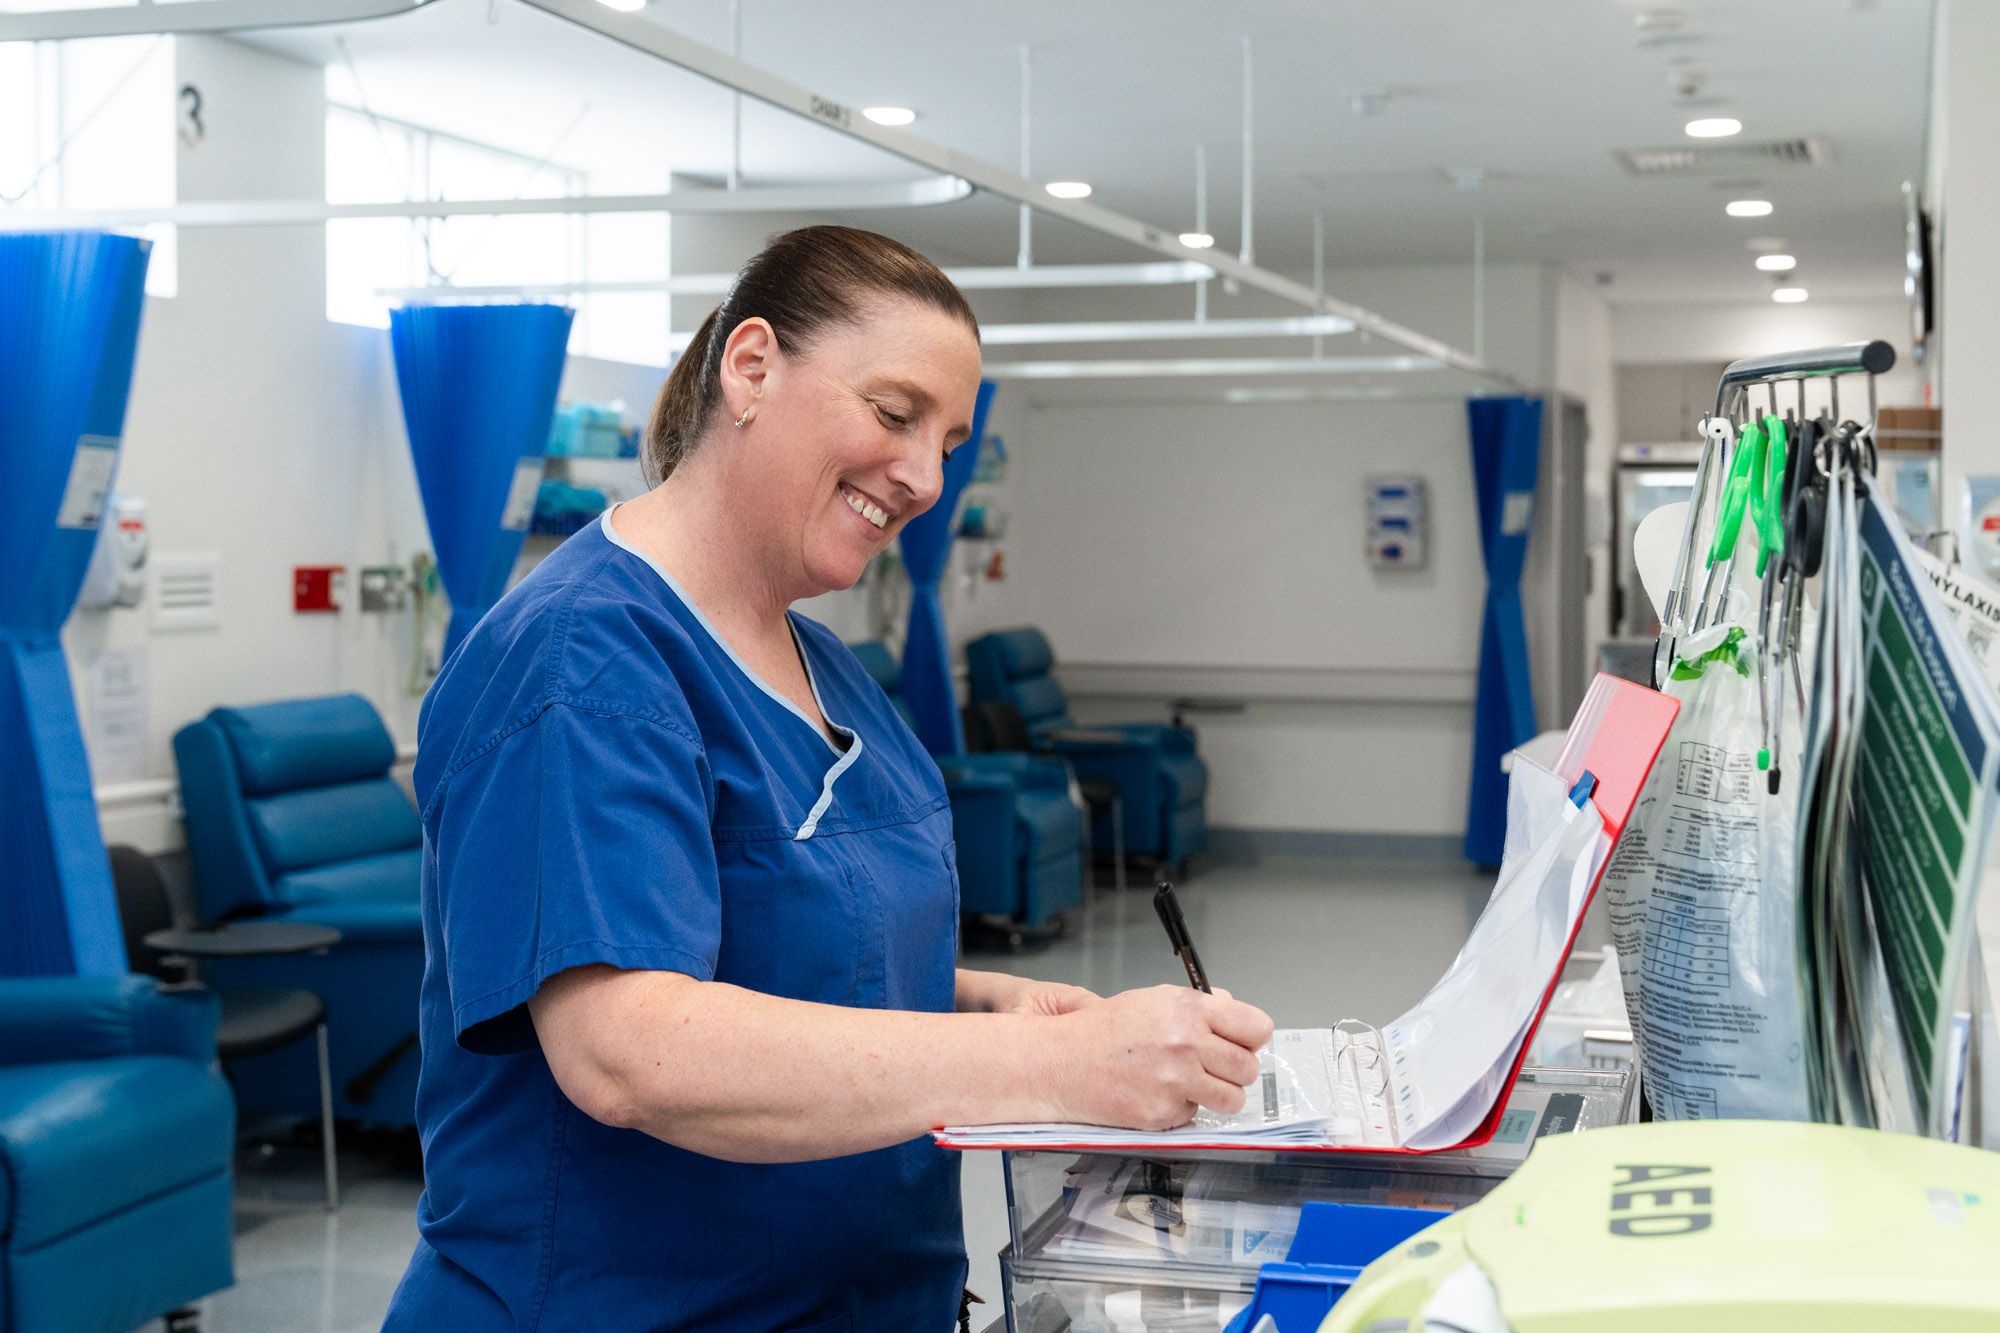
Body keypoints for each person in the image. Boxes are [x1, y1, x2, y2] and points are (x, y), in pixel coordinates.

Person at [384, 225, 1274, 1331]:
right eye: (896, 414)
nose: (921, 475)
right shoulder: (580, 662)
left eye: (948, 441)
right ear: (750, 367)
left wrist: (974, 997)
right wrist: (1049, 1060)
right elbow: (630, 1047)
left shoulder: (821, 663)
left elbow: (764, 933)